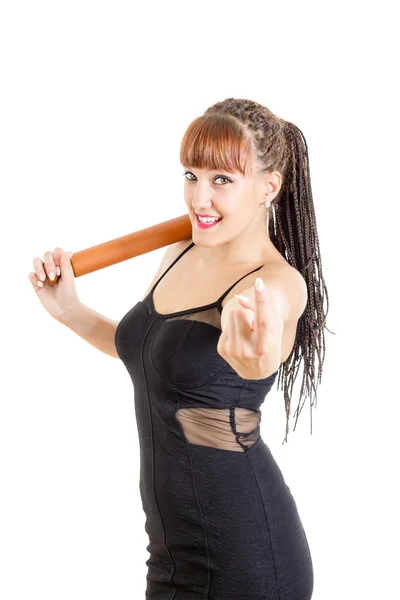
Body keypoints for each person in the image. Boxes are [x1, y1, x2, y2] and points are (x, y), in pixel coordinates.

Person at [29, 97, 330, 599]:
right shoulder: (182, 250)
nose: (199, 199)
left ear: (268, 187)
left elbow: (258, 354)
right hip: (171, 551)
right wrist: (70, 311)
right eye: (191, 175)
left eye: (222, 181)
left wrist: (250, 355)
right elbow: (149, 356)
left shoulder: (276, 284)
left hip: (247, 556)